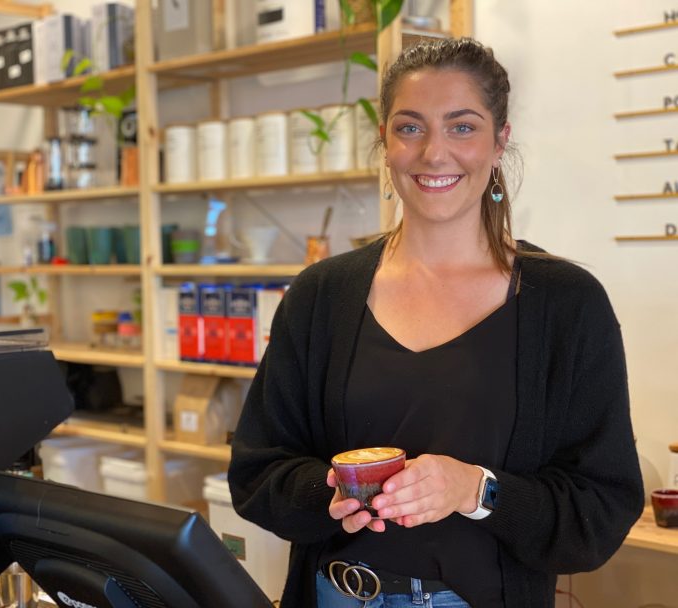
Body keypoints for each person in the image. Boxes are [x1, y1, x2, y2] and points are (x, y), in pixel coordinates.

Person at [227, 37, 644, 608]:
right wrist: (322, 493)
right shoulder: (321, 295)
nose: (433, 153)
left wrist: (476, 489)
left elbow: (600, 510)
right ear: (386, 142)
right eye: (411, 127)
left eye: (463, 127)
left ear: (501, 141)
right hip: (335, 597)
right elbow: (257, 470)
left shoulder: (567, 305)